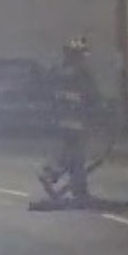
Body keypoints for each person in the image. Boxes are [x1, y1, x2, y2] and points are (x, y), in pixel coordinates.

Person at [37, 38, 101, 206]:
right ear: (77, 56)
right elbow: (92, 97)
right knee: (76, 156)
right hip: (77, 122)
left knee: (70, 155)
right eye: (82, 55)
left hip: (60, 122)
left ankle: (69, 184)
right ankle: (58, 179)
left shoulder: (57, 72)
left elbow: (48, 94)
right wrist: (99, 112)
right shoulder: (81, 75)